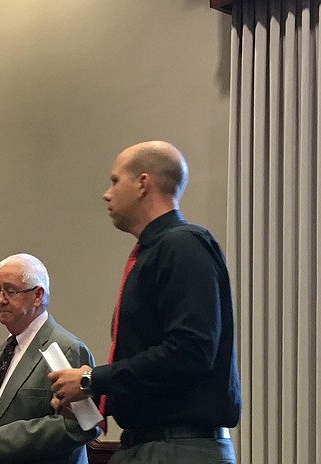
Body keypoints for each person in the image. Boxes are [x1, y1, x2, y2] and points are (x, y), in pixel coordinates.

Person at [48, 141, 241, 463]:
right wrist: (91, 394)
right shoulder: (155, 251)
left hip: (179, 448)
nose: (106, 194)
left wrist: (91, 379)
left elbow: (190, 349)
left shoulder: (184, 245)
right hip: (149, 445)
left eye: (114, 181)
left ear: (143, 183)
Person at [0, 253, 99, 464]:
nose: (0, 300)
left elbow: (85, 425)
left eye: (10, 291)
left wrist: (7, 440)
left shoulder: (65, 348)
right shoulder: (8, 347)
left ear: (38, 295)